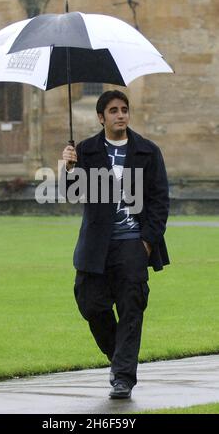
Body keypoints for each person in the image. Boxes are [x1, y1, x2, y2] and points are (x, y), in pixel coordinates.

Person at [62, 90, 169, 399]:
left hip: (132, 244)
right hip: (96, 246)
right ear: (101, 117)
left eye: (124, 109)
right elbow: (72, 195)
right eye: (113, 110)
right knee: (91, 304)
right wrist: (68, 168)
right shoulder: (85, 150)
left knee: (132, 311)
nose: (121, 114)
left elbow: (160, 200)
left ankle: (122, 378)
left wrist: (147, 242)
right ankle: (120, 358)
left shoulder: (148, 151)